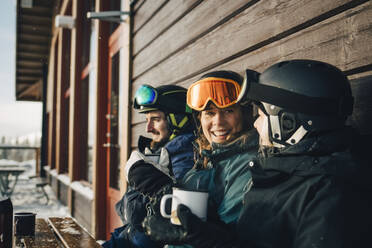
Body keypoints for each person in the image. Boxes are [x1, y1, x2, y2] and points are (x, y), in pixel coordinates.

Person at [146, 60, 372, 247]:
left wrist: (207, 238)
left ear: (288, 123)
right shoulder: (285, 172)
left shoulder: (331, 193)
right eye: (208, 114)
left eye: (261, 115)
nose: (255, 123)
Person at [142, 70, 259, 247]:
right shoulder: (206, 157)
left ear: (244, 114)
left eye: (228, 111)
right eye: (209, 113)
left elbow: (230, 237)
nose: (218, 122)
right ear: (200, 119)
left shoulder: (246, 165)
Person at [103, 84, 196, 248]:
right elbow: (127, 210)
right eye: (147, 120)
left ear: (178, 120)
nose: (148, 128)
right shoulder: (162, 154)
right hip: (129, 237)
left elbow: (136, 215)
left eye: (156, 119)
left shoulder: (186, 160)